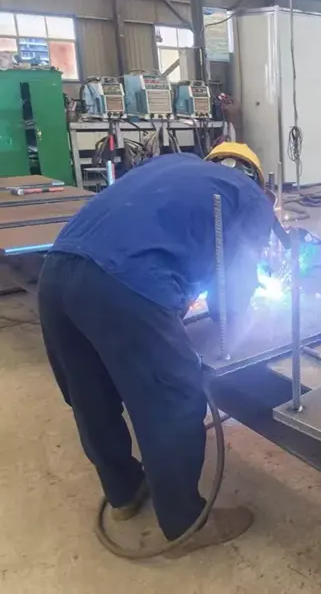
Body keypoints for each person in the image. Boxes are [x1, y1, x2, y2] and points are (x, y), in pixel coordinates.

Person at [38, 143, 281, 558]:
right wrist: (230, 317)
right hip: (123, 282)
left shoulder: (174, 164)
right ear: (257, 180)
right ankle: (184, 522)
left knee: (90, 395)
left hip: (55, 273)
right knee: (175, 398)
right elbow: (233, 285)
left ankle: (124, 493)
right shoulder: (251, 198)